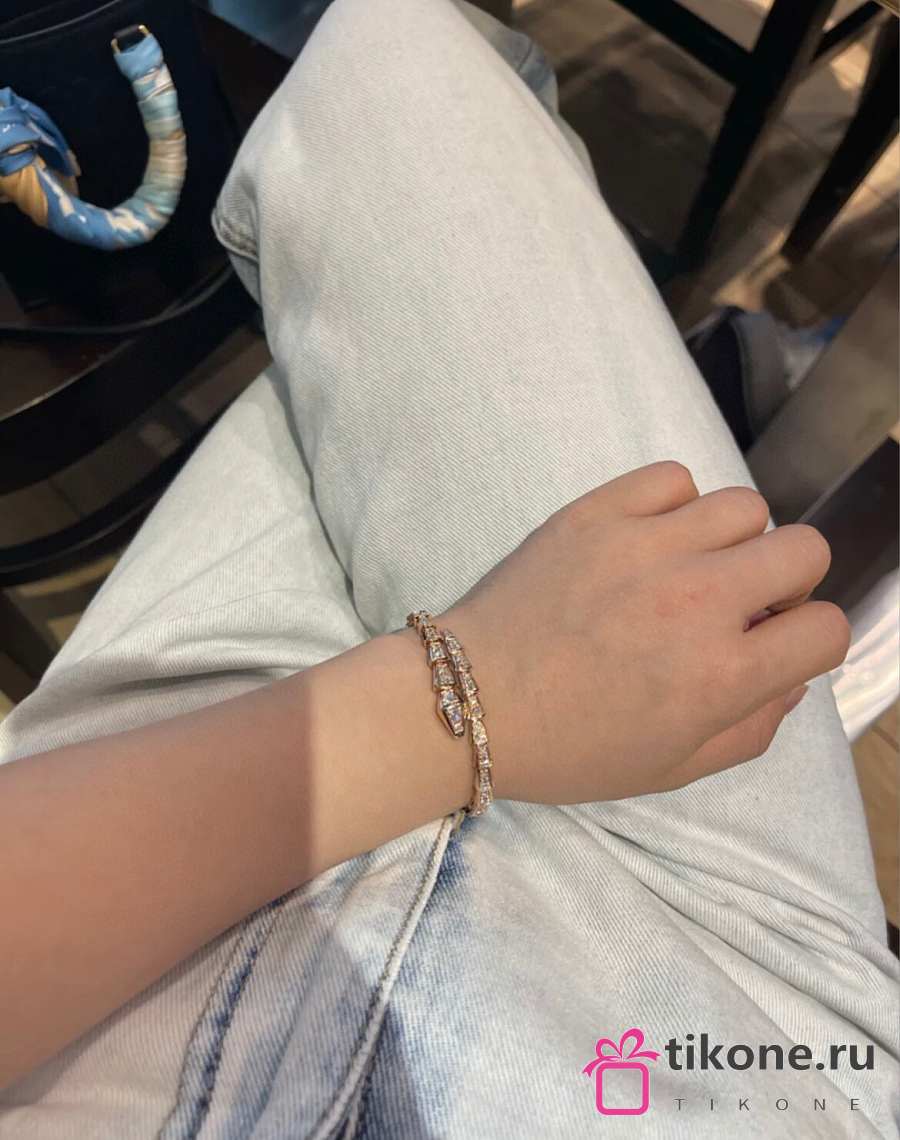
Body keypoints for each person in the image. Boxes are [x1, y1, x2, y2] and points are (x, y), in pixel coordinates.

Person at [1, 1, 897, 1136]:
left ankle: (720, 369)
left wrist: (458, 694)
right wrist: (478, 695)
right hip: (724, 1030)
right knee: (400, 72)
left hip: (116, 901)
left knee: (391, 92)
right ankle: (727, 369)